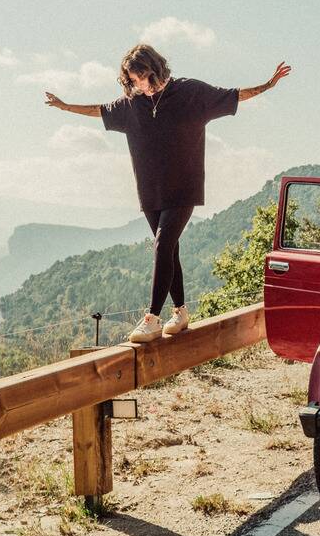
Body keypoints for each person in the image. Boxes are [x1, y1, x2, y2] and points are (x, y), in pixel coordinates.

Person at [44, 44, 290, 342]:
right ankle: (181, 311)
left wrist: (268, 84)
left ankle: (151, 318)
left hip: (183, 190)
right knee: (169, 250)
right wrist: (65, 106)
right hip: (150, 192)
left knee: (162, 246)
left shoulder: (190, 93)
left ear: (154, 70)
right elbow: (99, 110)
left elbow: (234, 95)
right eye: (131, 81)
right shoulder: (132, 105)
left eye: (140, 78)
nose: (137, 85)